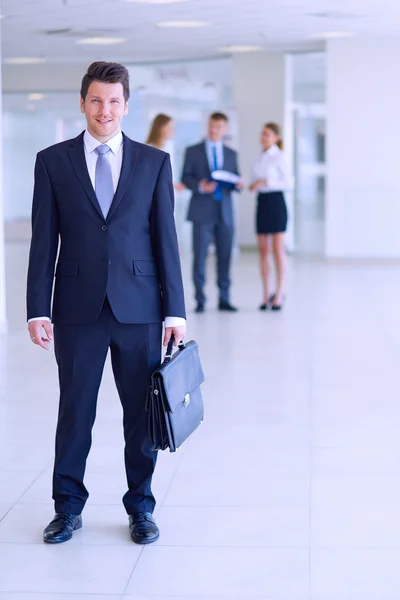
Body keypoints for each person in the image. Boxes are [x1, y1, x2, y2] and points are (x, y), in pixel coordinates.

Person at [26, 61, 186, 545]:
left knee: (141, 417)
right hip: (77, 311)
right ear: (82, 103)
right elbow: (42, 241)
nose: (105, 110)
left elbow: (166, 241)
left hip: (140, 310)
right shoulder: (53, 161)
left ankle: (141, 508)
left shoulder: (153, 162)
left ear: (126, 106)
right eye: (96, 100)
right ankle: (67, 508)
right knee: (75, 413)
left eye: (114, 101)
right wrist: (38, 307)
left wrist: (175, 310)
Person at [182, 112, 242, 313]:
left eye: (218, 127)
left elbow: (236, 180)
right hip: (202, 211)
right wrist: (200, 185)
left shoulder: (232, 154)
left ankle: (224, 298)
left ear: (225, 129)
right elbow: (186, 178)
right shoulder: (193, 151)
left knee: (225, 256)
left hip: (224, 212)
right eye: (211, 126)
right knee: (199, 257)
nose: (214, 130)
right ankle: (200, 299)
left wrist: (238, 184)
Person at [250, 122, 292, 311]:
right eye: (262, 134)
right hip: (262, 203)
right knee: (263, 250)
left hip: (276, 203)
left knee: (277, 249)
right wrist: (255, 184)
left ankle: (280, 292)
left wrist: (266, 181)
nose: (263, 137)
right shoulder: (259, 157)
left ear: (276, 137)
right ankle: (266, 293)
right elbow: (255, 180)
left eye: (267, 134)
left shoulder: (279, 156)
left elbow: (289, 182)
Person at [146, 113, 185, 192]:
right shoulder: (148, 148)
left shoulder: (170, 145)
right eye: (169, 128)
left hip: (168, 190)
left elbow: (170, 171)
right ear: (160, 128)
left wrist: (174, 184)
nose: (172, 131)